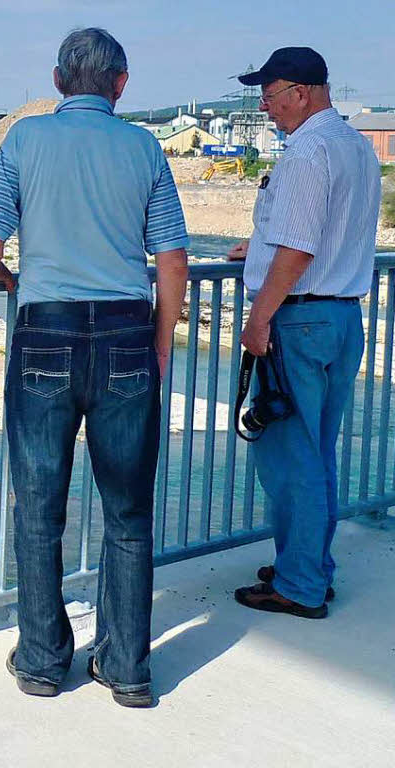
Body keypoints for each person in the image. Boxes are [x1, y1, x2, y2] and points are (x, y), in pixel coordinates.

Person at [0, 27, 189, 706]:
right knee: (128, 511)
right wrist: (159, 340)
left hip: (46, 333)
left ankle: (40, 660)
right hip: (124, 332)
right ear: (121, 84)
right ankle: (125, 668)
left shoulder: (25, 141)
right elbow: (172, 260)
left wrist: (7, 278)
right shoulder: (145, 146)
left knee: (38, 505)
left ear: (59, 81)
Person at [227, 47, 381, 618]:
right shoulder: (355, 147)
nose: (265, 107)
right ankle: (310, 564)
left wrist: (258, 317)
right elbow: (318, 234)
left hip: (300, 317)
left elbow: (299, 247)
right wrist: (258, 252)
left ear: (302, 91)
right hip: (342, 316)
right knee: (317, 453)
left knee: (290, 457)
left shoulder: (306, 151)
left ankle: (298, 586)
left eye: (269, 95)